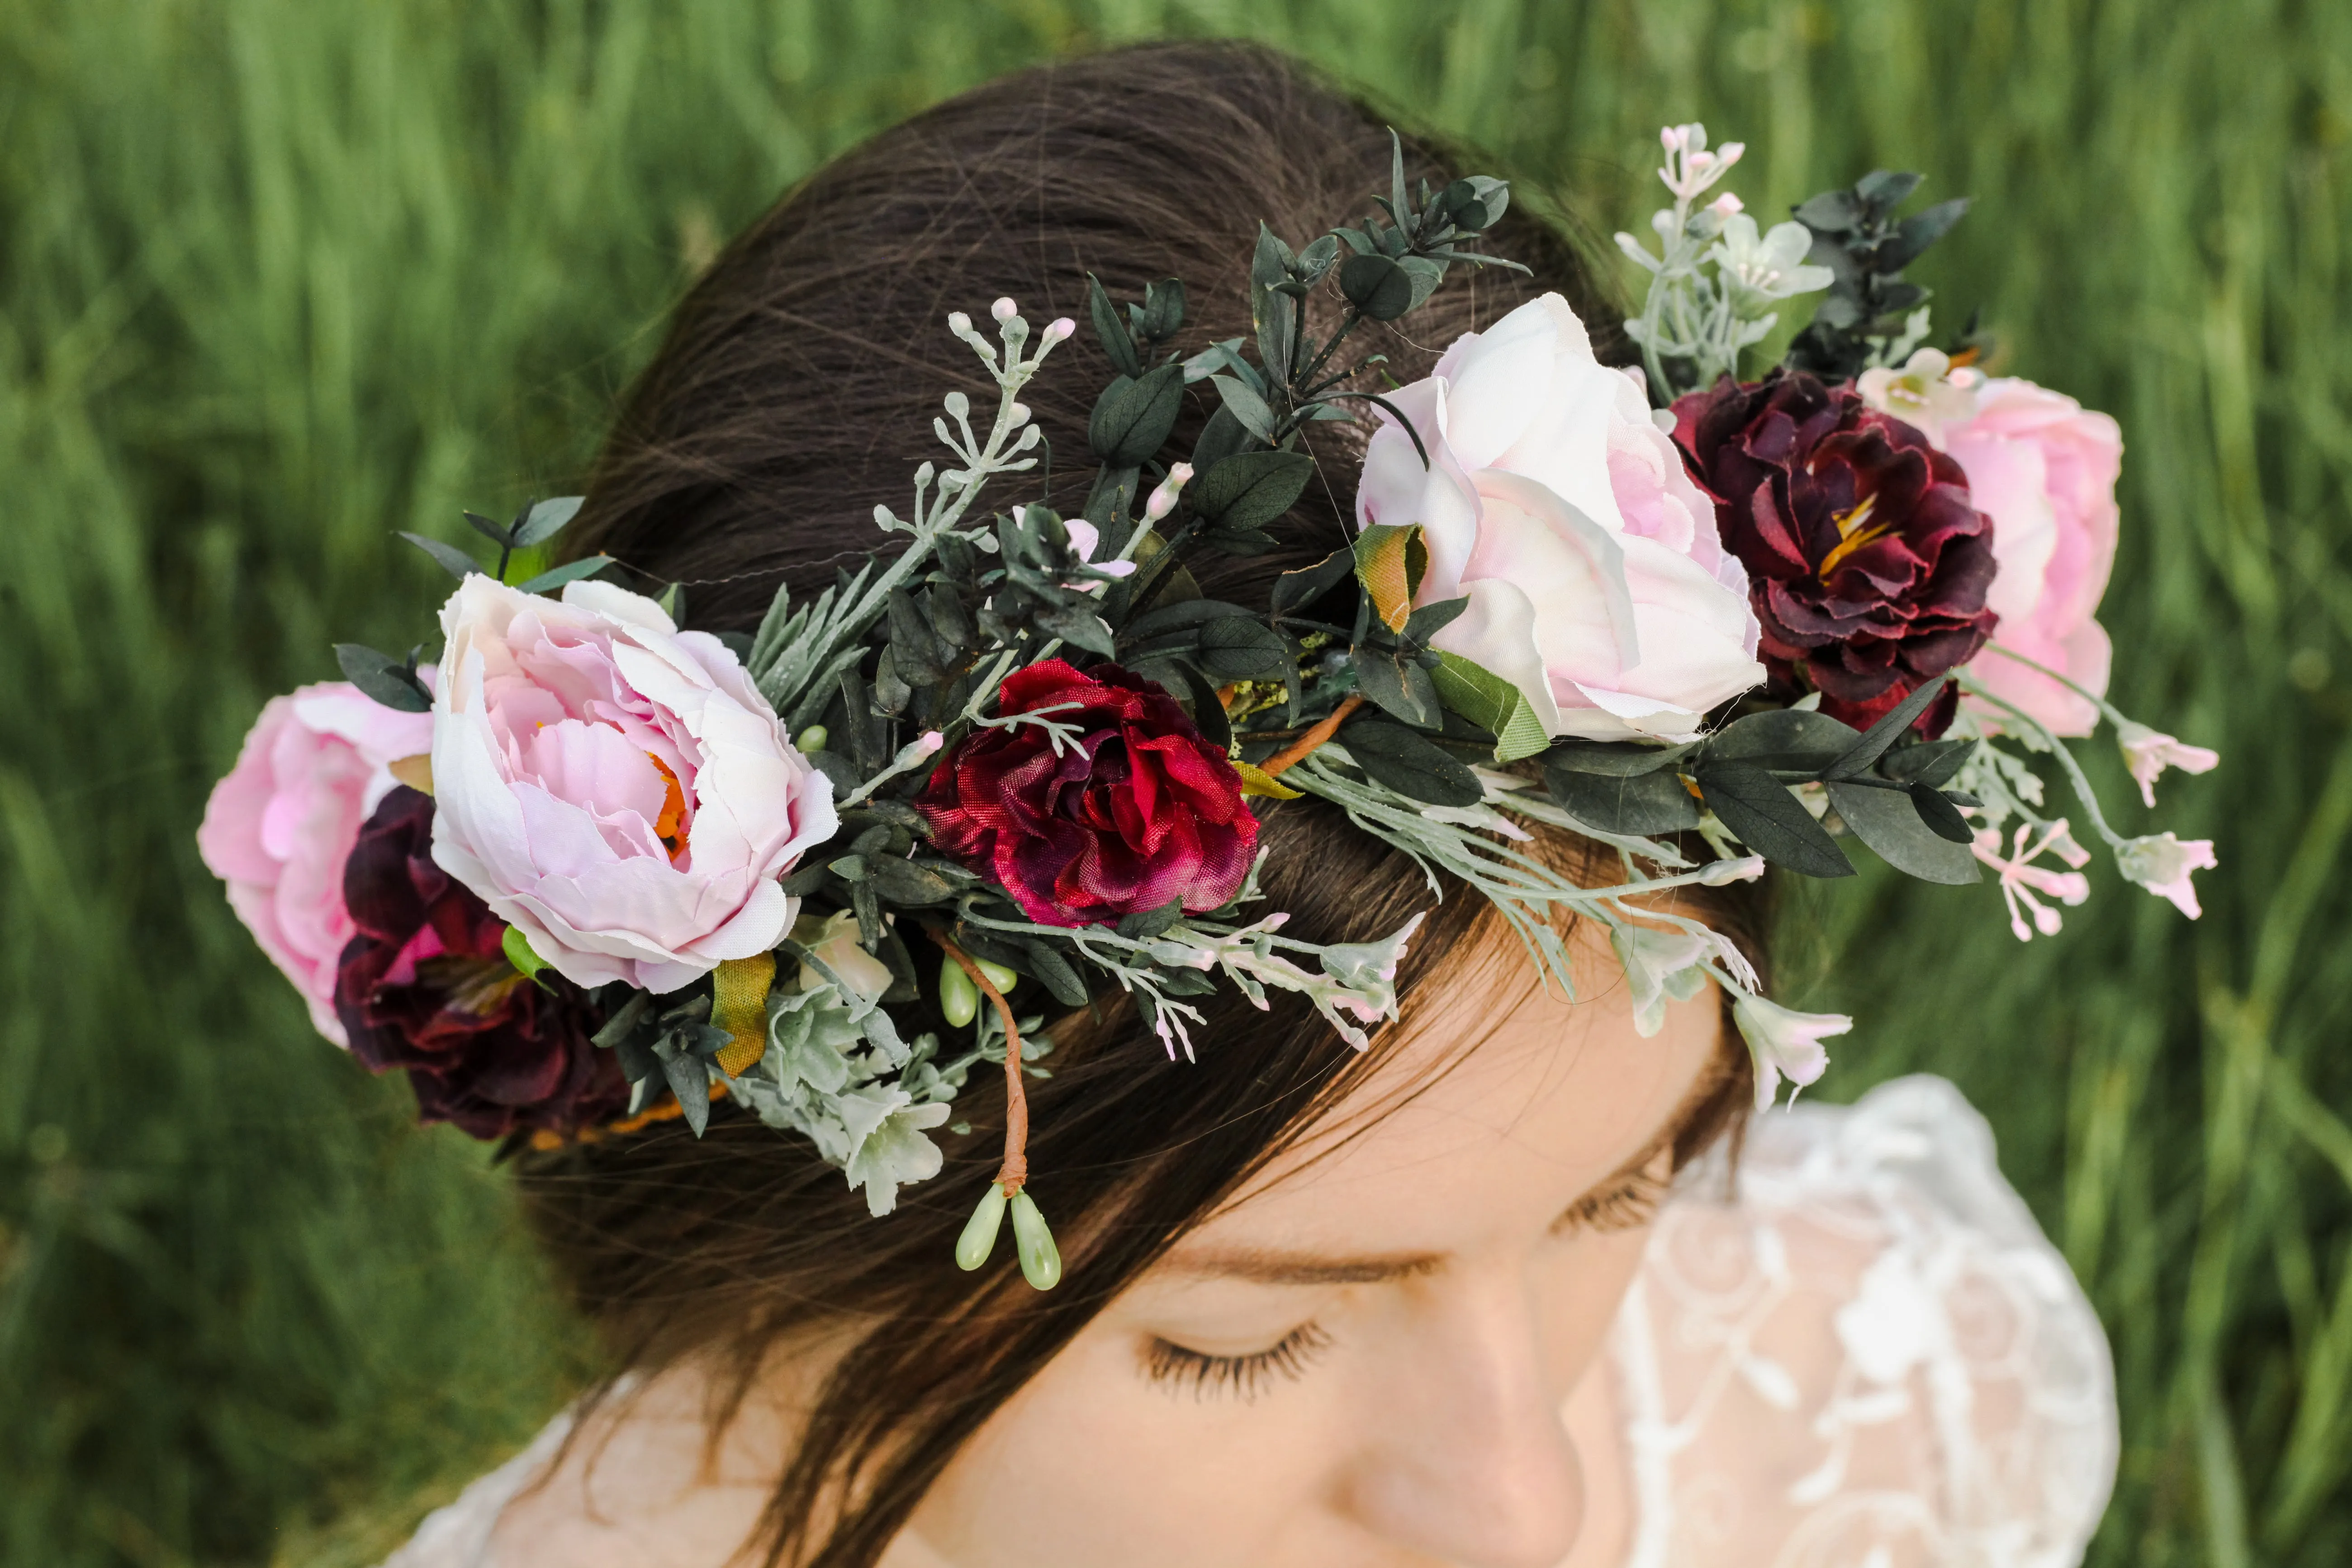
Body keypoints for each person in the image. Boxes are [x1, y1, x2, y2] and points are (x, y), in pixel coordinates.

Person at [203, 40, 2127, 1568]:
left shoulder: (1868, 1413)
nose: (1521, 1505)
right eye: (1238, 1338)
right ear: (787, 1225)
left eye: (1619, 1185)